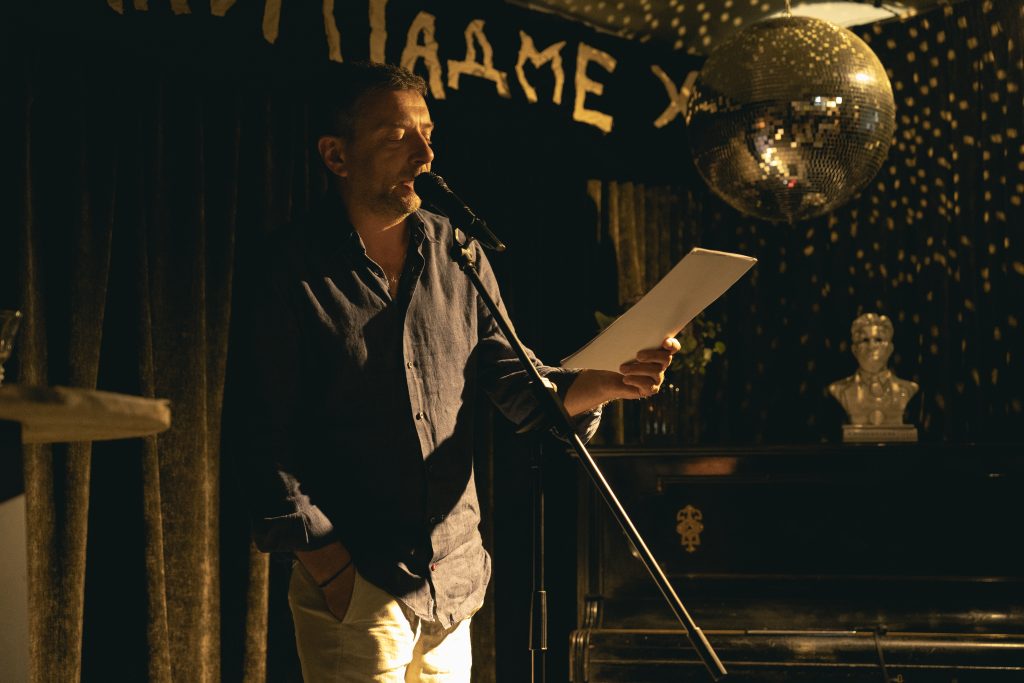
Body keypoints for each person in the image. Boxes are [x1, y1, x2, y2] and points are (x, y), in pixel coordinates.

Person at [238, 61, 680, 683]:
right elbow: (262, 437)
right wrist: (332, 569)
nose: (424, 154)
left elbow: (516, 383)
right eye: (397, 136)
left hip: (453, 578)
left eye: (428, 133)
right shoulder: (288, 269)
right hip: (359, 580)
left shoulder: (458, 251)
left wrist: (608, 381)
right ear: (336, 156)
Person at [828, 312, 918, 426]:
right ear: (854, 349)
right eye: (865, 340)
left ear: (890, 348)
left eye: (878, 340)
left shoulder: (907, 389)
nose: (871, 346)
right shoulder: (839, 389)